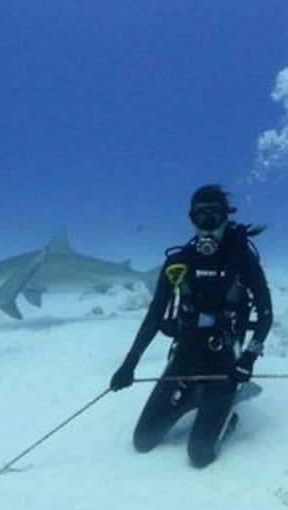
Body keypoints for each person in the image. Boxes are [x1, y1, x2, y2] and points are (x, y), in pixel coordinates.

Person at [109, 184, 273, 468]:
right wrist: (129, 364)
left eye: (215, 214)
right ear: (191, 219)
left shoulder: (243, 261)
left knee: (200, 455)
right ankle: (195, 399)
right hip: (184, 357)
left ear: (226, 216)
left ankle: (227, 407)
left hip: (225, 365)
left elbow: (266, 315)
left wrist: (248, 358)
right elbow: (153, 316)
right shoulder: (178, 262)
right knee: (143, 441)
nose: (208, 222)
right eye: (200, 215)